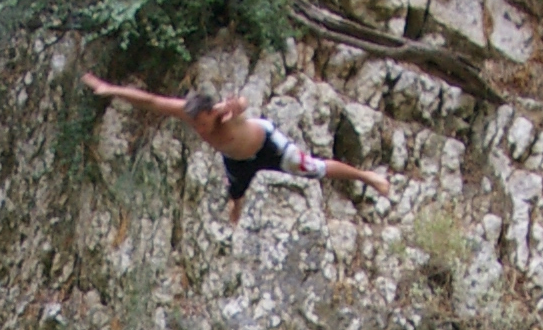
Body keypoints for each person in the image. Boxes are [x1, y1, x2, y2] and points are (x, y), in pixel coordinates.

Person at [81, 72, 391, 221]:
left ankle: (368, 177)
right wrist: (110, 88)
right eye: (195, 125)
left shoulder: (222, 114)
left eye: (203, 124)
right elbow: (149, 101)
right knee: (236, 194)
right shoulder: (188, 111)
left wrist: (236, 106)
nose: (200, 129)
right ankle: (237, 206)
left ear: (210, 113)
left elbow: (241, 103)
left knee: (314, 168)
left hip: (267, 146)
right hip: (237, 159)